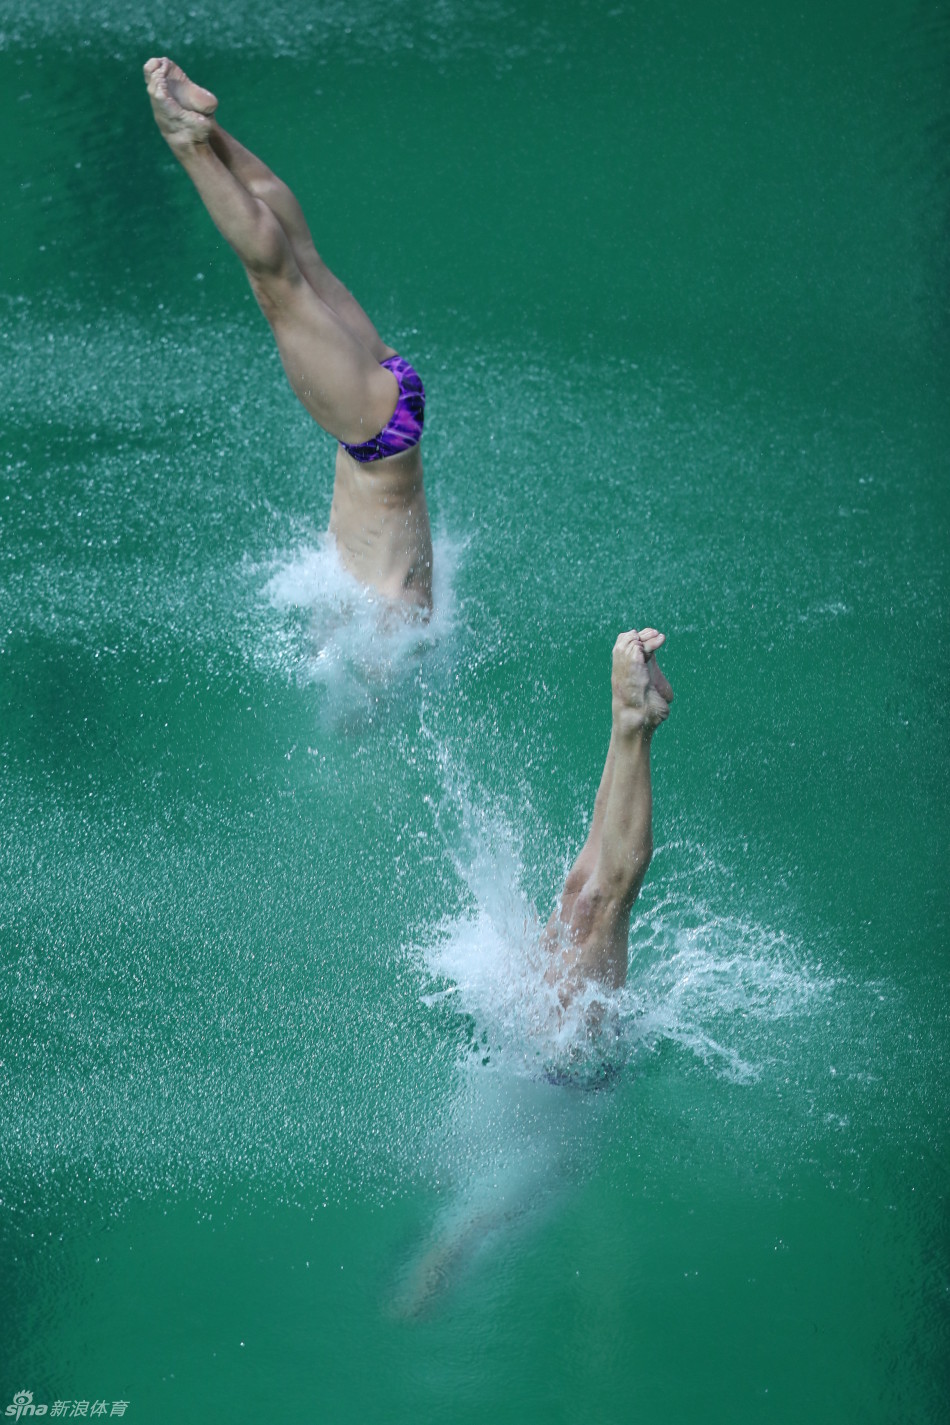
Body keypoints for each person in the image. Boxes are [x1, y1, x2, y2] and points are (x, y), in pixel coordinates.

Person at [143, 58, 433, 611]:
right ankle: (184, 138)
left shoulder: (415, 607)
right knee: (278, 283)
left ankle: (203, 122)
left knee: (302, 255)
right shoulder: (387, 632)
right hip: (375, 438)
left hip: (397, 406)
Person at [543, 627, 673, 1005]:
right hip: (569, 1065)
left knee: (577, 894)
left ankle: (629, 718)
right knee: (597, 906)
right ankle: (633, 720)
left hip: (547, 1063)